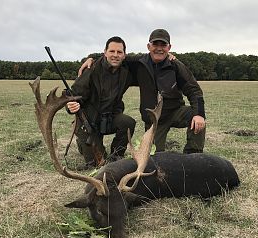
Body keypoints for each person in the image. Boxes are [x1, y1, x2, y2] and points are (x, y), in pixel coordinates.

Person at [80, 29, 206, 154]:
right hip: (153, 121)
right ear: (148, 46)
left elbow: (194, 90)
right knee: (154, 157)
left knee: (196, 116)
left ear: (169, 47)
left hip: (175, 112)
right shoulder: (139, 63)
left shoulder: (176, 66)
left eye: (163, 45)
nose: (159, 48)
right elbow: (116, 56)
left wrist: (199, 114)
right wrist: (91, 58)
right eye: (155, 44)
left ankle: (193, 155)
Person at [67, 36, 136, 169]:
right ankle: (83, 144)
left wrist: (168, 56)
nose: (115, 55)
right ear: (105, 52)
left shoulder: (127, 71)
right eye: (112, 51)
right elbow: (73, 96)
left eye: (119, 52)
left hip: (109, 118)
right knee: (96, 164)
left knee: (128, 122)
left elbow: (145, 59)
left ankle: (117, 154)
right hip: (89, 122)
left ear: (124, 55)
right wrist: (71, 106)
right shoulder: (92, 69)